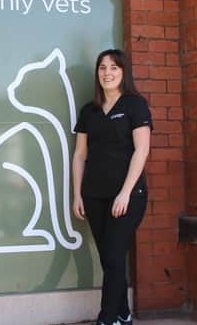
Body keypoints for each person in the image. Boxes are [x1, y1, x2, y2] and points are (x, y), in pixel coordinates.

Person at [71, 49, 152, 325]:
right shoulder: (89, 111)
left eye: (114, 68)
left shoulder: (135, 105)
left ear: (123, 73)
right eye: (103, 68)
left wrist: (125, 192)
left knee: (115, 256)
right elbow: (80, 155)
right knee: (110, 259)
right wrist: (77, 195)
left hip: (128, 196)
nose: (107, 72)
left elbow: (141, 150)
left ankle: (106, 319)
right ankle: (123, 313)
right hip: (94, 196)